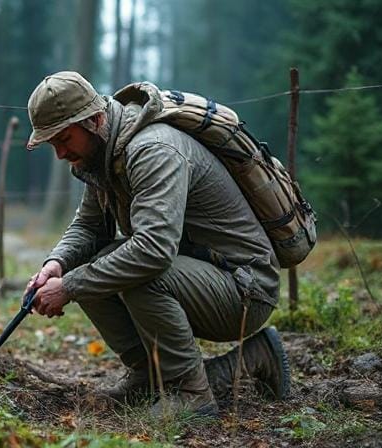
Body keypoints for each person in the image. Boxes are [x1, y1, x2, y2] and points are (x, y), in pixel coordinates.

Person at [24, 71, 290, 416]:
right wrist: (56, 265)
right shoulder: (104, 152)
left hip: (246, 289)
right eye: (51, 144)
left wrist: (70, 287)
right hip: (207, 276)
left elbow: (153, 251)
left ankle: (191, 392)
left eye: (63, 138)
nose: (59, 153)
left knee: (141, 274)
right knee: (96, 260)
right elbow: (89, 228)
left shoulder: (152, 149)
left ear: (94, 119)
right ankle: (151, 376)